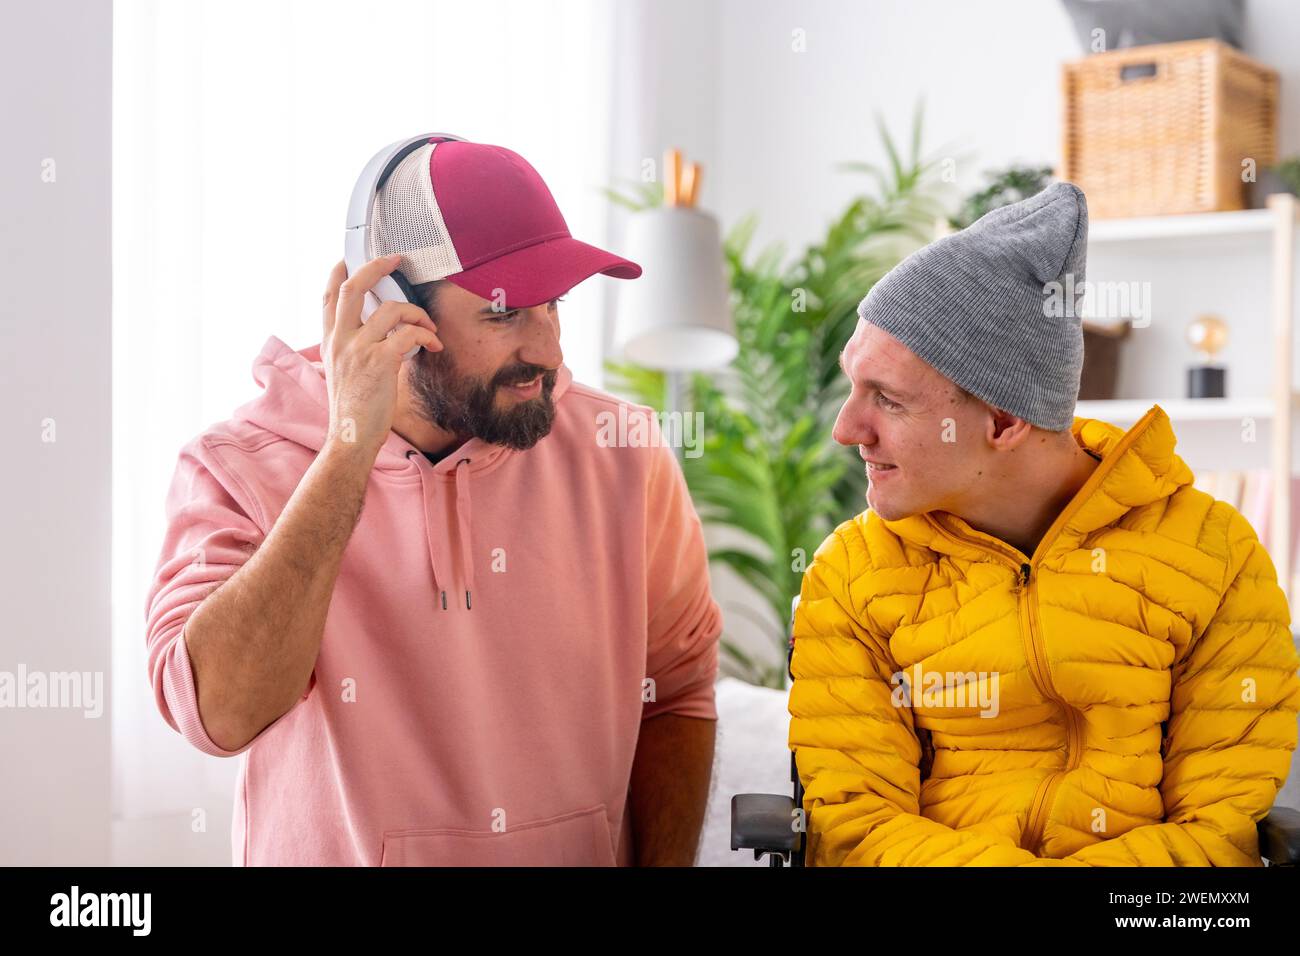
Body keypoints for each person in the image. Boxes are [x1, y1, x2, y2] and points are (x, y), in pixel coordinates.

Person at [144, 137, 722, 866]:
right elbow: (219, 714)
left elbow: (674, 697)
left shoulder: (623, 451)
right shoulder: (238, 465)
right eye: (505, 314)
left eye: (555, 304)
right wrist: (348, 448)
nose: (548, 349)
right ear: (390, 308)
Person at [789, 182, 1300, 866]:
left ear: (1004, 420)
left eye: (888, 399)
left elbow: (1219, 831)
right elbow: (856, 830)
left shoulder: (1217, 555)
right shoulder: (849, 577)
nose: (846, 428)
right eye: (855, 387)